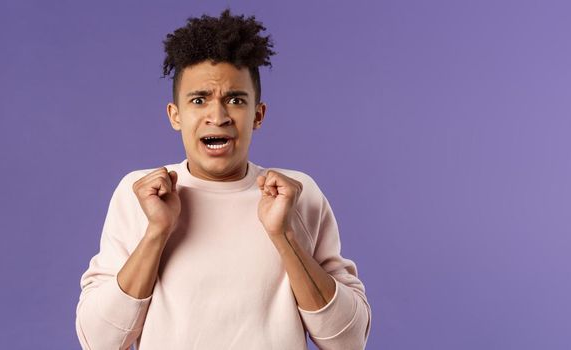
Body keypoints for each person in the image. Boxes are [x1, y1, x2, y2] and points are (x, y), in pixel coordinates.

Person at [75, 9, 371, 349]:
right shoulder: (139, 195)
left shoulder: (296, 195)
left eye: (235, 100)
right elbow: (99, 341)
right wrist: (156, 232)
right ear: (176, 115)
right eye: (199, 100)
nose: (217, 116)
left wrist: (285, 236)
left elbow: (348, 340)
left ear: (258, 115)